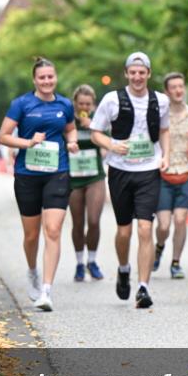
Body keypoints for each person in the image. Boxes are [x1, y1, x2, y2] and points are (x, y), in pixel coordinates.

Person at [90, 51, 171, 309]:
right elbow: (95, 132)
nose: (137, 76)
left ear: (148, 74)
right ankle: (124, 268)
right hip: (120, 170)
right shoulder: (112, 100)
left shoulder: (161, 100)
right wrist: (112, 144)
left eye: (142, 72)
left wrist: (166, 155)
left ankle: (144, 287)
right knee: (124, 231)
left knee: (145, 228)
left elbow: (165, 129)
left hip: (149, 170)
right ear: (126, 73)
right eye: (133, 72)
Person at [0, 57, 79, 312]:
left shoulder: (65, 104)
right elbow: (3, 136)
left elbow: (71, 129)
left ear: (55, 78)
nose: (47, 81)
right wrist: (27, 142)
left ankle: (46, 290)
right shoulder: (21, 104)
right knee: (31, 235)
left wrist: (73, 142)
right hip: (27, 174)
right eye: (42, 77)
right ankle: (32, 270)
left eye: (50, 77)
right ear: (34, 80)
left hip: (58, 172)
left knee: (53, 230)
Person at [154, 72, 188, 280]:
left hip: (187, 171)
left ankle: (176, 262)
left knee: (180, 219)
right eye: (174, 87)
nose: (179, 90)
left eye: (181, 86)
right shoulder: (159, 115)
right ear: (167, 91)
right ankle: (159, 246)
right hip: (163, 173)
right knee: (163, 225)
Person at [68, 85, 106, 282]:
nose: (84, 107)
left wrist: (92, 125)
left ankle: (92, 260)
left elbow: (108, 141)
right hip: (74, 177)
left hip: (94, 176)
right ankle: (79, 263)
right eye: (81, 103)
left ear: (93, 104)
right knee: (77, 222)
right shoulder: (68, 120)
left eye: (88, 104)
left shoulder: (99, 120)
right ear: (75, 103)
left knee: (93, 220)